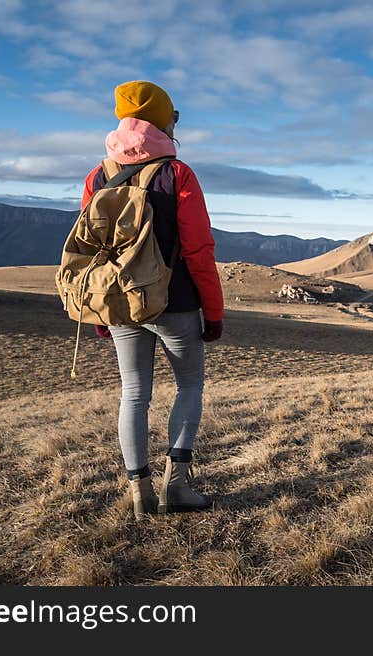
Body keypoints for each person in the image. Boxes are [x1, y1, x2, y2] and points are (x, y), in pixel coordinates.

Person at [79, 80, 224, 518]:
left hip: (121, 302)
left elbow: (91, 250)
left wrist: (100, 310)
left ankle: (140, 493)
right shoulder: (177, 174)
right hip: (175, 302)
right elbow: (199, 251)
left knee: (134, 392)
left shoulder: (98, 176)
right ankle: (176, 487)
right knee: (190, 385)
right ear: (164, 120)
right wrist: (213, 313)